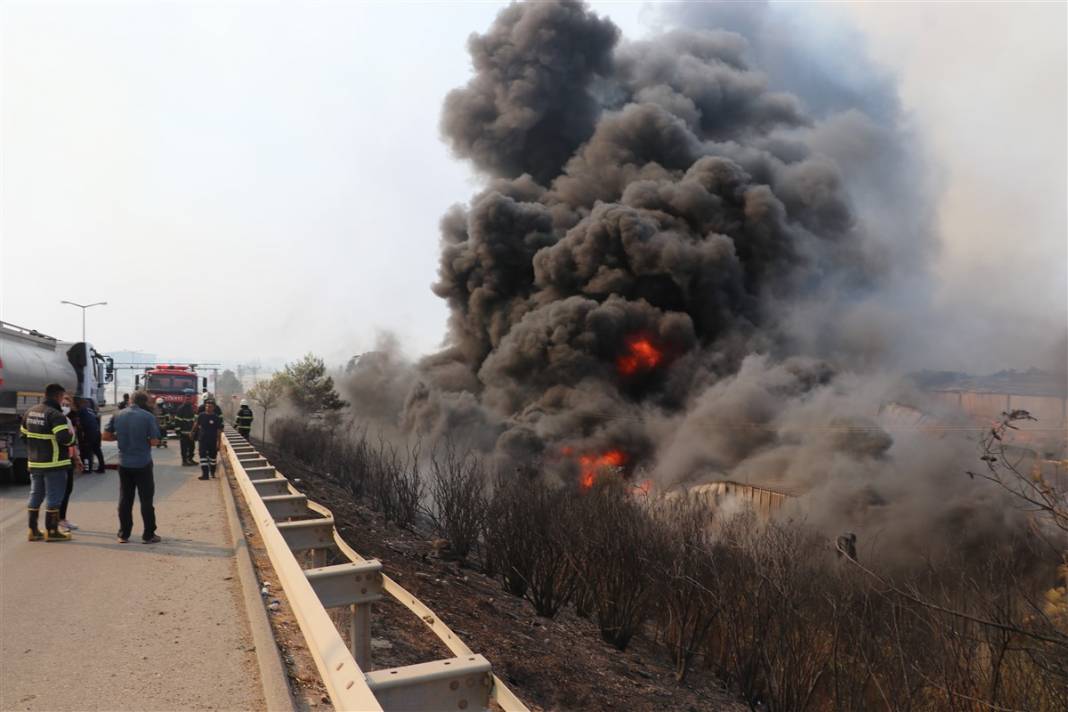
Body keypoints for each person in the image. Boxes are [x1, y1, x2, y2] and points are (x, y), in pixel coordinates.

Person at [103, 390, 162, 544]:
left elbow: (106, 436)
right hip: (143, 463)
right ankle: (148, 535)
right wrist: (143, 440)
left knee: (125, 499)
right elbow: (155, 441)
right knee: (146, 500)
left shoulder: (118, 415)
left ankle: (123, 534)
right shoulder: (148, 417)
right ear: (145, 402)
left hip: (124, 463)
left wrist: (121, 437)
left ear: (130, 401)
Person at [20, 383, 77, 541]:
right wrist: (73, 436)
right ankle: (51, 532)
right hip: (54, 463)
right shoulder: (55, 415)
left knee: (35, 495)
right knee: (54, 497)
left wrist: (35, 450)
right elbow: (65, 439)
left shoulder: (30, 412)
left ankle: (33, 530)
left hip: (35, 463)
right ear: (59, 396)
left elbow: (23, 436)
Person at [58, 394, 85, 533]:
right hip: (58, 460)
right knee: (58, 491)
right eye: (63, 404)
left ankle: (62, 519)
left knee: (67, 489)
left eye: (68, 405)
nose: (65, 407)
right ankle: (57, 522)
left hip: (67, 458)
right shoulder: (56, 419)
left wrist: (77, 458)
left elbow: (73, 442)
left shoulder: (69, 419)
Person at [190, 398, 223, 481]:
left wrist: (218, 442)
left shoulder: (216, 418)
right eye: (207, 406)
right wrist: (192, 432)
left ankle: (212, 472)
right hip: (202, 440)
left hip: (212, 440)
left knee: (213, 459)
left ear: (213, 408)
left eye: (210, 406)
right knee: (202, 457)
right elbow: (196, 424)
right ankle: (205, 474)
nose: (208, 408)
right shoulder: (201, 416)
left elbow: (219, 431)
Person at [77, 398, 106, 473]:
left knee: (87, 451)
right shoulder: (92, 411)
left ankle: (87, 469)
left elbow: (79, 423)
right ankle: (102, 467)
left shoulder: (81, 410)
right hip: (97, 432)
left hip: (89, 433)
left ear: (82, 404)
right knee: (97, 450)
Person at [173, 391, 197, 466]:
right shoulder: (181, 408)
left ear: (191, 399)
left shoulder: (192, 407)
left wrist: (195, 431)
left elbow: (194, 419)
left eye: (189, 399)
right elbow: (177, 420)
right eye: (186, 399)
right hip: (183, 432)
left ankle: (190, 459)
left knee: (192, 447)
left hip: (191, 432)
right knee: (184, 448)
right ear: (184, 399)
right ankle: (184, 461)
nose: (188, 400)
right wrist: (178, 431)